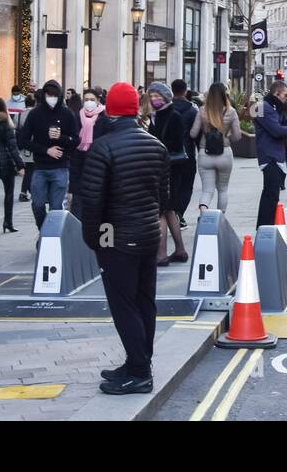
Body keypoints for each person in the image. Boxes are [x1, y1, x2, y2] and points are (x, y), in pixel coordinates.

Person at [74, 81, 169, 393]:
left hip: (116, 237)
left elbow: (92, 202)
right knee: (145, 301)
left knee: (123, 304)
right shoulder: (156, 145)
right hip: (148, 234)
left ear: (109, 110)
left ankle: (140, 372)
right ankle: (138, 360)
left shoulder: (103, 148)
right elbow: (163, 199)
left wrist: (95, 240)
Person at [17, 79, 79, 229]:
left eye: (55, 95)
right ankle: (44, 230)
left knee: (56, 207)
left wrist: (61, 138)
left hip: (61, 167)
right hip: (40, 166)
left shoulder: (67, 114)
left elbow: (76, 140)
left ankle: (52, 236)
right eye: (48, 95)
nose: (52, 98)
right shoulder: (35, 114)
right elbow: (23, 140)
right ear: (44, 95)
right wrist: (45, 150)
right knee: (37, 204)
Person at [146, 82, 189, 266]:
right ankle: (180, 249)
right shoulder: (156, 117)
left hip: (169, 169)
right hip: (166, 167)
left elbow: (176, 143)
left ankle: (161, 254)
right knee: (169, 210)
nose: (155, 99)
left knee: (161, 211)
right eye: (152, 96)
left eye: (158, 96)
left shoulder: (172, 116)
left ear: (166, 97)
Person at [254, 82, 287, 230]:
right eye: (285, 94)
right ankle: (264, 230)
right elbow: (276, 131)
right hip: (270, 156)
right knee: (270, 196)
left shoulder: (273, 107)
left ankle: (264, 228)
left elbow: (282, 124)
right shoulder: (264, 107)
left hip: (276, 155)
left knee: (271, 195)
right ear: (276, 93)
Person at [190, 82, 243, 213]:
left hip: (205, 153)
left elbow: (193, 133)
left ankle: (203, 213)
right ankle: (220, 220)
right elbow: (237, 136)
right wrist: (226, 135)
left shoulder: (202, 111)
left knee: (207, 190)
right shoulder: (231, 112)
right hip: (224, 153)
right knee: (223, 189)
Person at [0, 96, 23, 233]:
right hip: (6, 162)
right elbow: (12, 146)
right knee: (9, 193)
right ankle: (8, 222)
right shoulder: (6, 122)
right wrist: (20, 165)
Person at [167, 80, 199, 227]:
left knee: (172, 184)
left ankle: (171, 212)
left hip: (168, 153)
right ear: (185, 91)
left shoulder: (166, 109)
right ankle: (179, 214)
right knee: (186, 186)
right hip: (187, 153)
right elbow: (196, 134)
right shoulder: (193, 110)